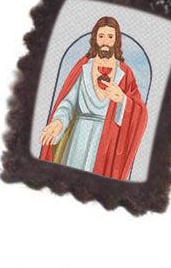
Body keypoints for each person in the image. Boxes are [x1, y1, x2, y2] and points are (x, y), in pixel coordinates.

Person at [39, 15, 148, 180]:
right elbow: (68, 103)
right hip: (79, 137)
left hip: (106, 142)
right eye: (101, 36)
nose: (105, 41)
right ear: (95, 38)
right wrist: (59, 121)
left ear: (116, 40)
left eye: (110, 37)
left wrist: (123, 100)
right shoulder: (83, 67)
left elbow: (140, 112)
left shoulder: (125, 73)